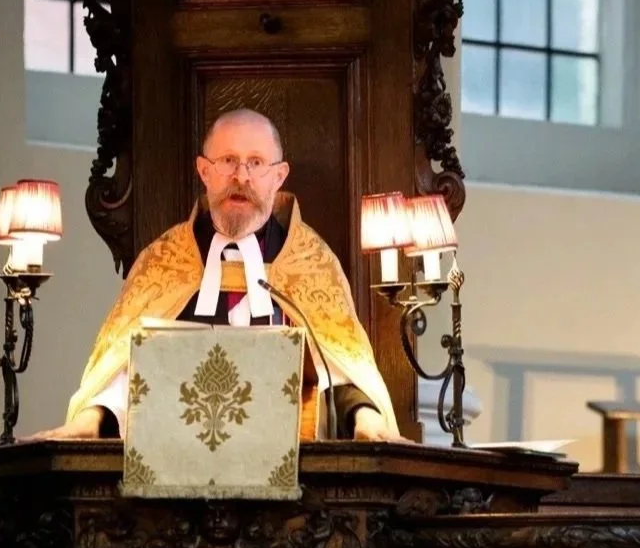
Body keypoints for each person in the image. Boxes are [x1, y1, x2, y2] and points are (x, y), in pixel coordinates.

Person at [33, 109, 401, 442]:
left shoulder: (312, 263)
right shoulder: (162, 262)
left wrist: (366, 418)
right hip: (177, 460)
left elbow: (339, 366)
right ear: (204, 171)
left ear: (279, 175)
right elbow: (126, 367)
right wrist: (91, 418)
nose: (241, 176)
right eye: (227, 161)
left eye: (256, 162)